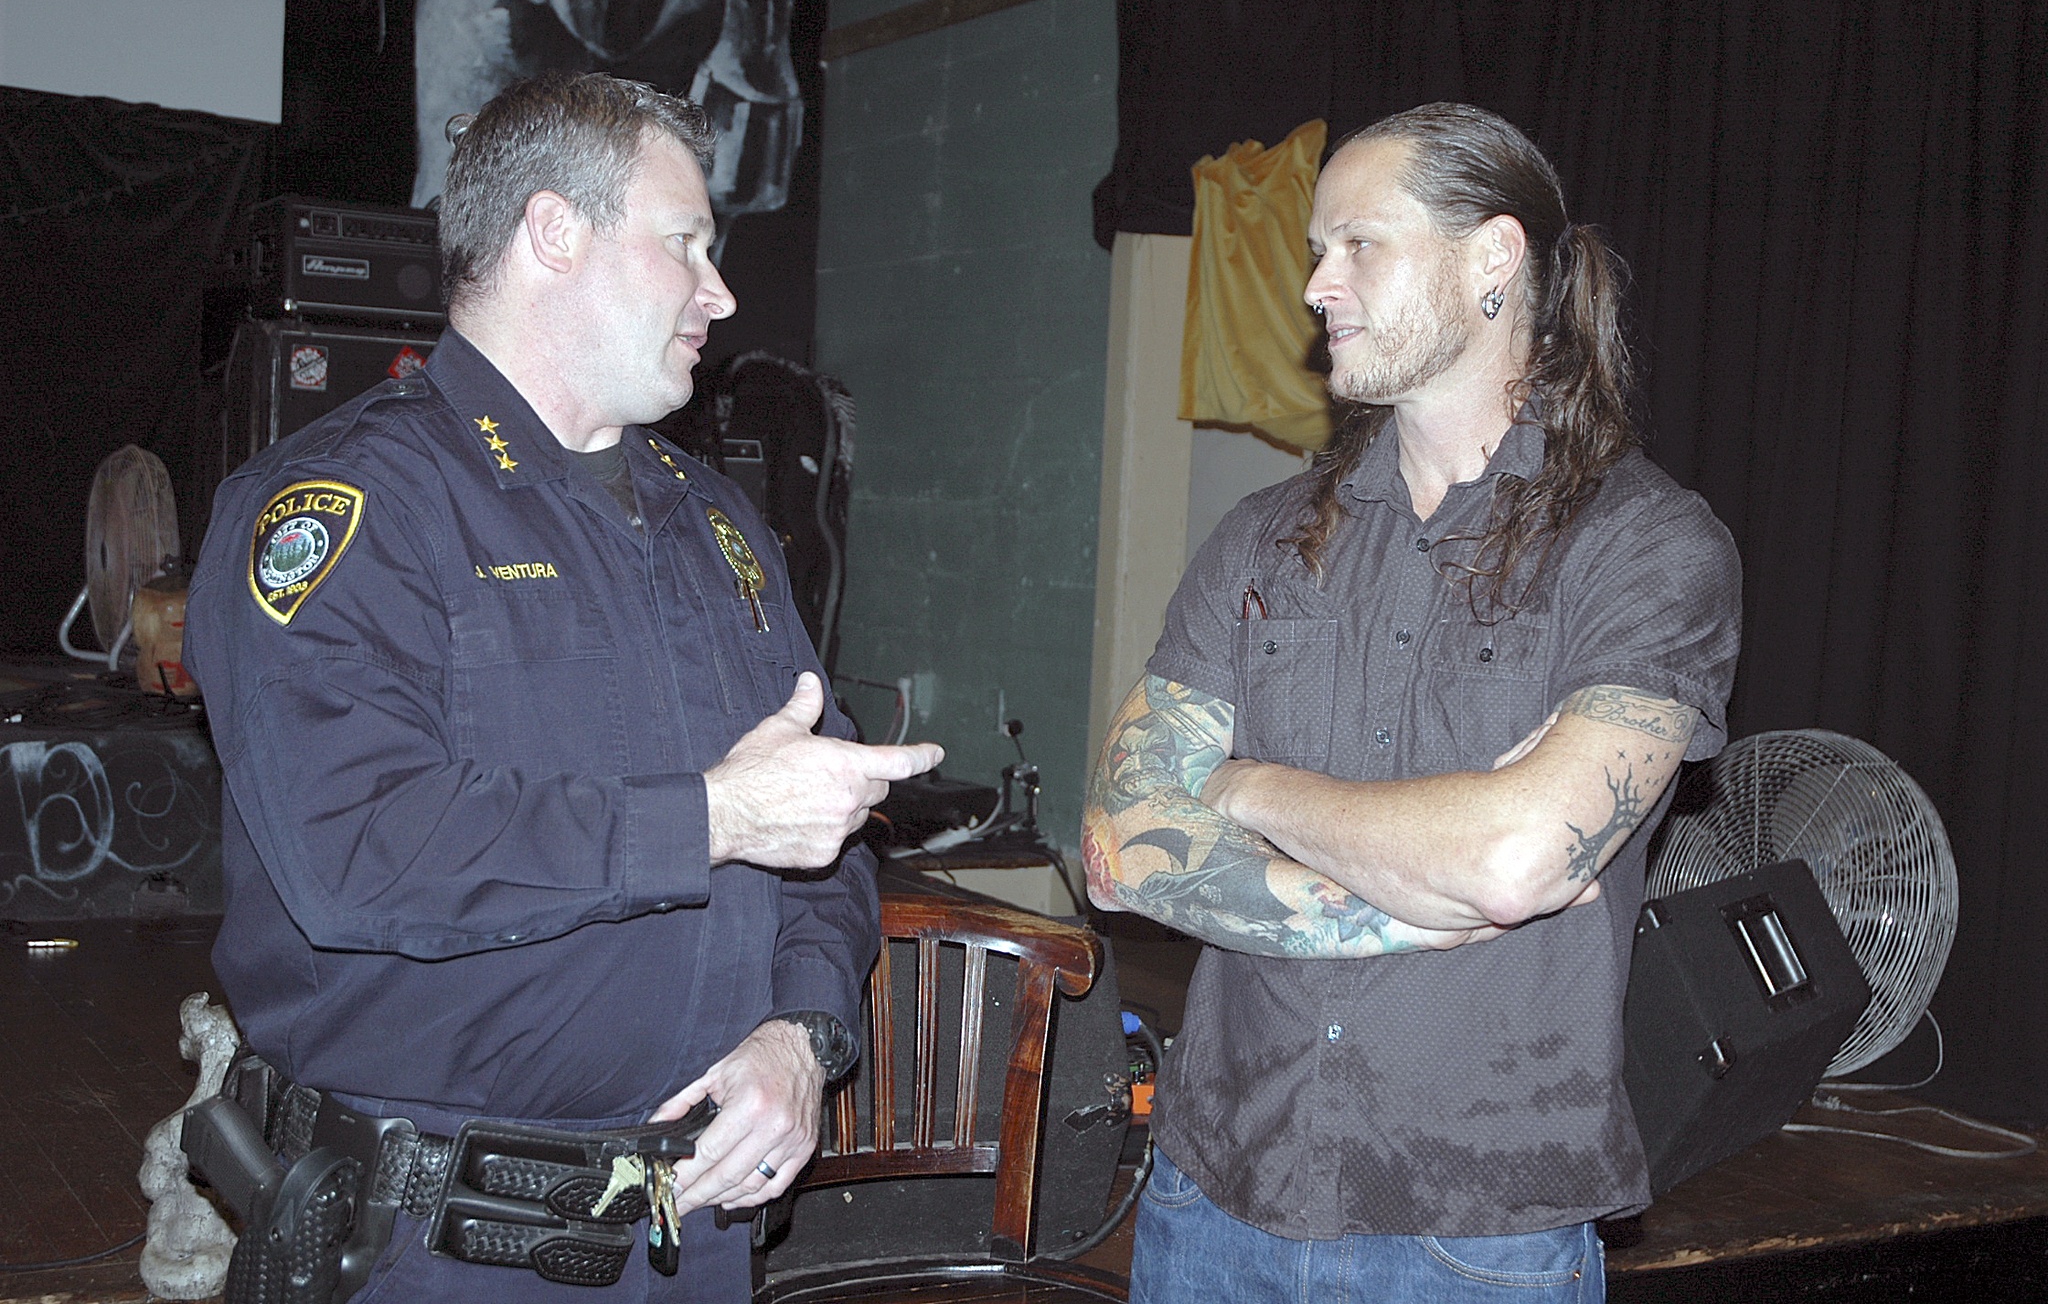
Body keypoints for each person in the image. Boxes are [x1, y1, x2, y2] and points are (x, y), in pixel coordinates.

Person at [185, 71, 941, 1302]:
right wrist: (714, 817)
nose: (721, 292)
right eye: (687, 243)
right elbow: (356, 846)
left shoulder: (716, 521)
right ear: (554, 230)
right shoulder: (354, 509)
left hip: (694, 1225)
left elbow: (825, 812)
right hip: (431, 1244)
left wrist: (800, 1033)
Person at [1082, 103, 1742, 1301]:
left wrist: (1245, 788)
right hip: (1208, 1192)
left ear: (1492, 260)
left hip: (1471, 1232)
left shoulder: (1645, 549)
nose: (1315, 286)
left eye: (1355, 245)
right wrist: (1429, 873)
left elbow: (1509, 857)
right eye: (1311, 252)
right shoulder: (1262, 540)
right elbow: (1121, 852)